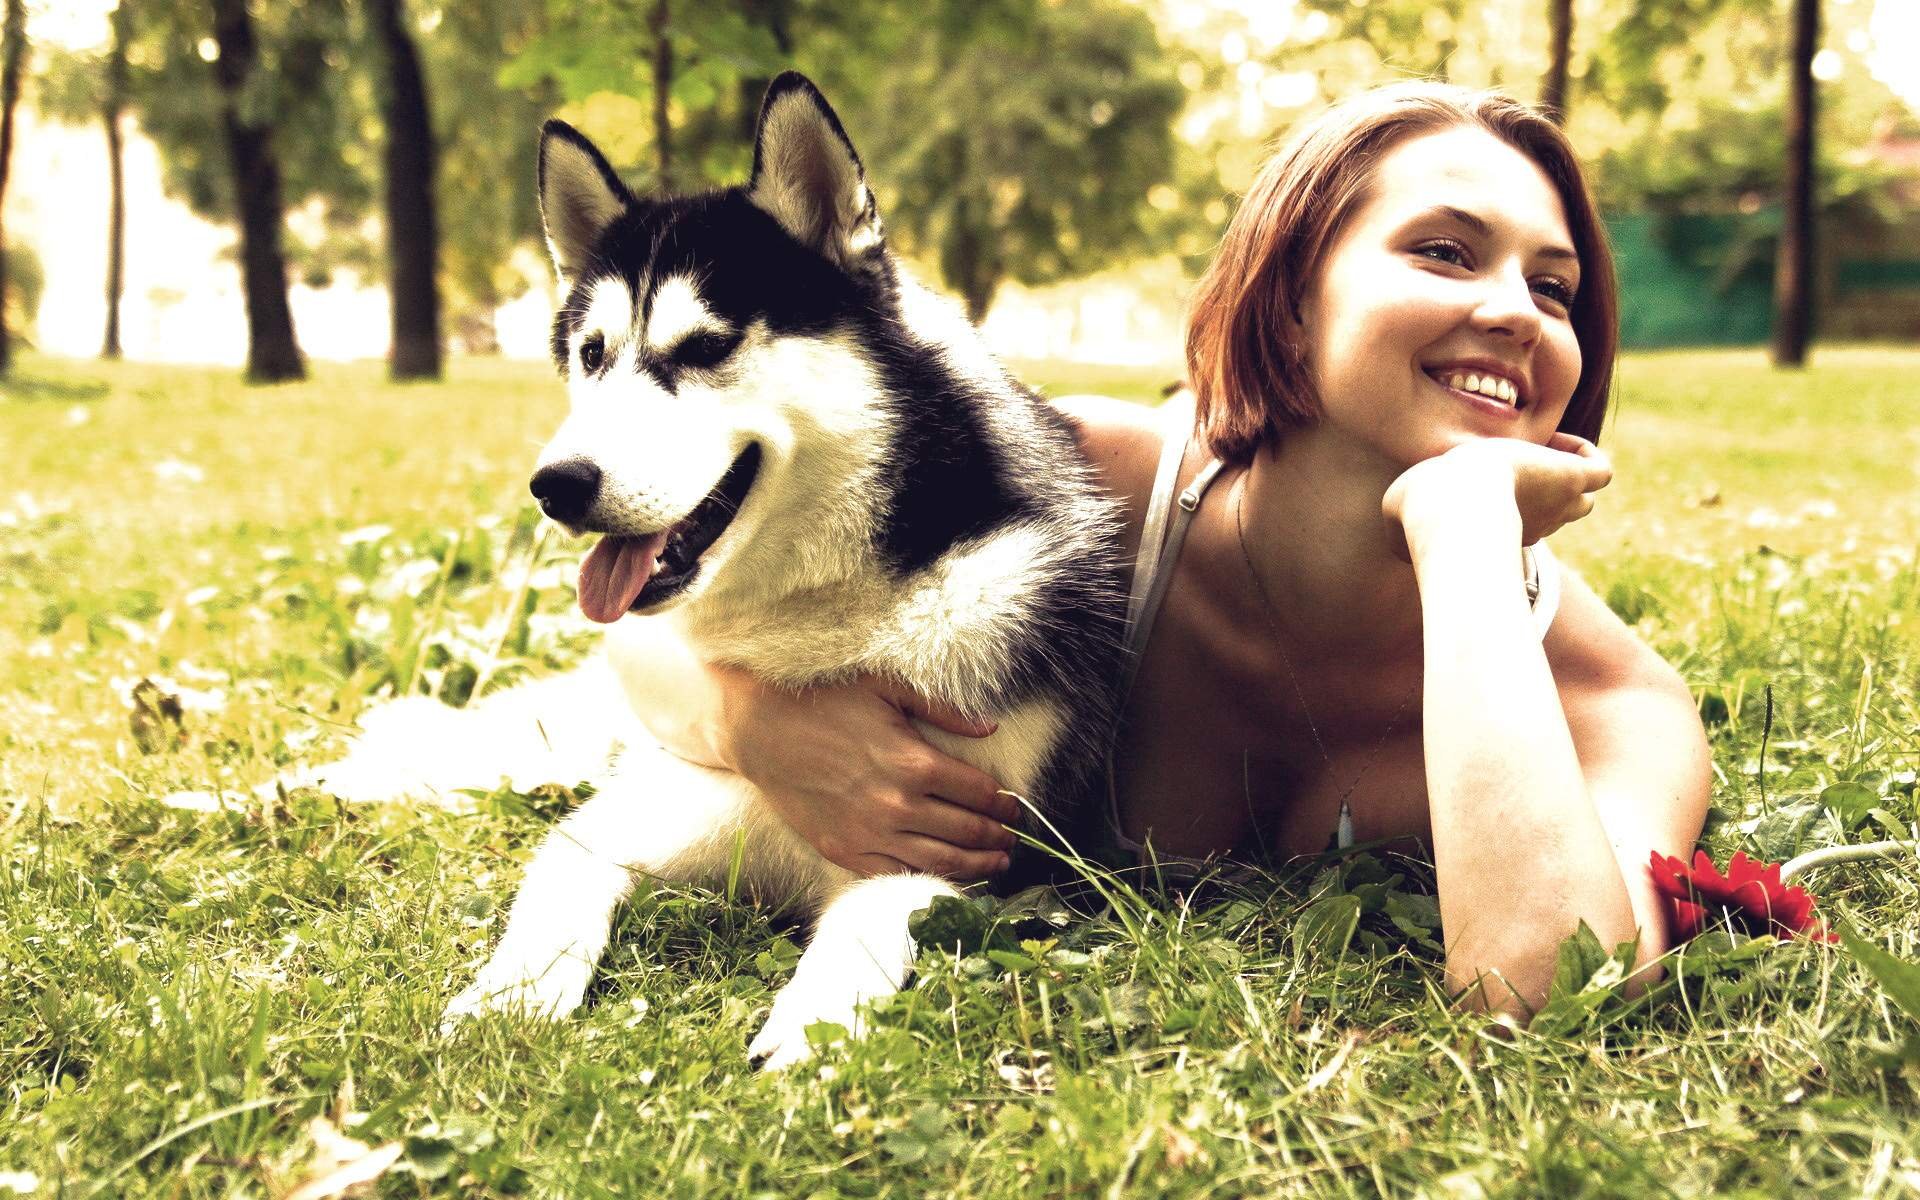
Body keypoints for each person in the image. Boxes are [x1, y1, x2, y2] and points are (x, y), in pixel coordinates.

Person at [615, 82, 1712, 1016]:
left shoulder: (1612, 701)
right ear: (1289, 304)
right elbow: (644, 640)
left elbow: (1548, 991)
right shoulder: (1080, 475)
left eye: (1554, 287)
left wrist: (1464, 530)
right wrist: (754, 721)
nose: (1518, 312)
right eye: (1444, 251)